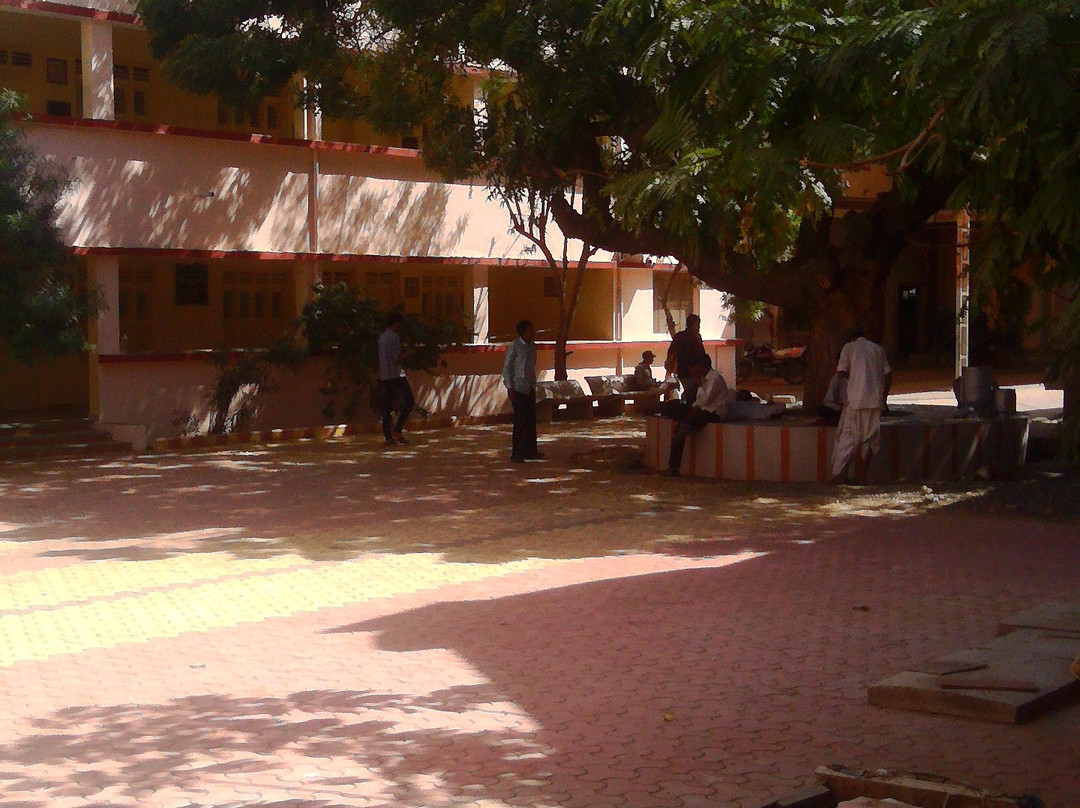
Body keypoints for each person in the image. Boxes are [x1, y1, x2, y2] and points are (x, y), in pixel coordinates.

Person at [830, 328, 892, 484]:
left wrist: (855, 374)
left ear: (851, 337)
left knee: (847, 438)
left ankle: (840, 475)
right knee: (870, 439)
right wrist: (884, 398)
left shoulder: (849, 348)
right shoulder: (878, 349)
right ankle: (863, 477)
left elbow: (842, 372)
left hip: (855, 401)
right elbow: (888, 374)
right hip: (875, 402)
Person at [665, 356, 730, 477]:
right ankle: (673, 466)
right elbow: (699, 401)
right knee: (676, 409)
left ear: (698, 366)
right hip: (703, 410)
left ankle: (673, 466)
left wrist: (699, 384)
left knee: (683, 427)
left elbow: (705, 400)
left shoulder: (715, 379)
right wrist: (694, 407)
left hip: (715, 413)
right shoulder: (704, 379)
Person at [502, 319, 543, 463]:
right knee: (520, 421)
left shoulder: (532, 346)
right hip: (518, 387)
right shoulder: (514, 346)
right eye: (530, 330)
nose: (532, 332)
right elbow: (507, 368)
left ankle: (531, 450)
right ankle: (517, 453)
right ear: (524, 331)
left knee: (531, 420)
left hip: (529, 386)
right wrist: (509, 387)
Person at [377, 311, 415, 448]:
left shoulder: (382, 337)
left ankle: (389, 437)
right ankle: (397, 430)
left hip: (385, 375)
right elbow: (396, 359)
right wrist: (408, 353)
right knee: (409, 401)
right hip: (396, 374)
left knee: (386, 407)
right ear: (396, 324)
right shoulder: (394, 337)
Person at [665, 314, 709, 403]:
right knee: (695, 397)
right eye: (698, 325)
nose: (699, 327)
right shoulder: (695, 337)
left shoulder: (679, 336)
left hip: (682, 373)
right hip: (694, 372)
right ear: (694, 324)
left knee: (691, 396)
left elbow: (671, 353)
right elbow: (701, 354)